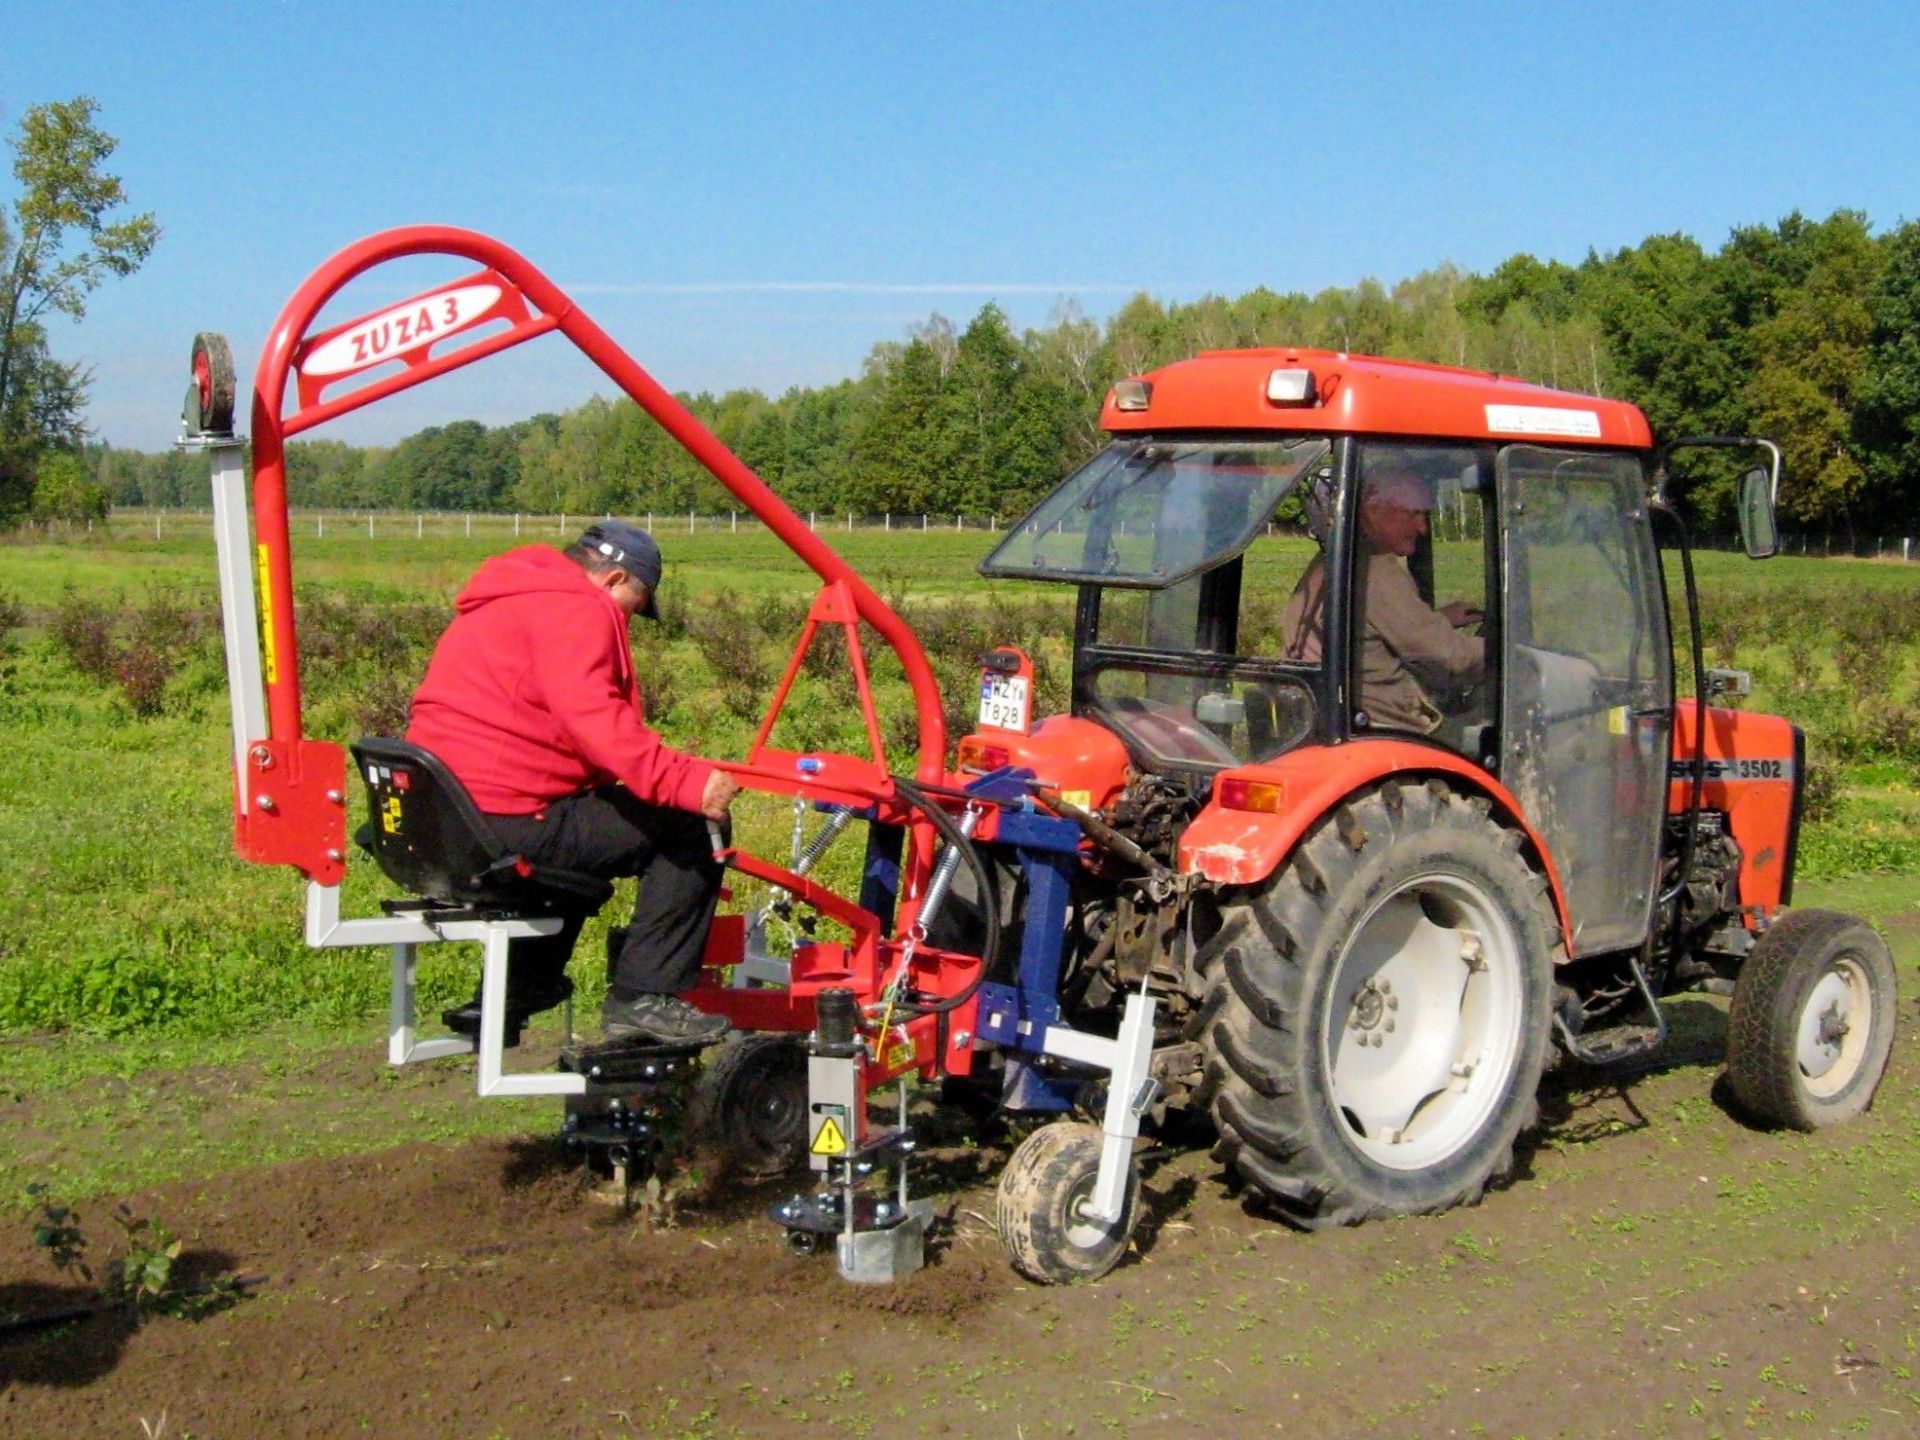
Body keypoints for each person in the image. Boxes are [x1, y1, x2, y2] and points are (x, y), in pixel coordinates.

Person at [407, 519, 741, 1045]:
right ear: (611, 580)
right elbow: (593, 719)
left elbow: (556, 727)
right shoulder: (577, 608)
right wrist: (686, 783)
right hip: (497, 818)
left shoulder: (509, 599)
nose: (629, 619)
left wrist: (655, 773)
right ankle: (644, 995)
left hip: (443, 816)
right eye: (635, 603)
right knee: (690, 828)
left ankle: (520, 987)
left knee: (584, 825)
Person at [1281, 462, 1485, 735]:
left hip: (1334, 719)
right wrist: (1508, 653)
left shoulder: (1336, 560)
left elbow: (1373, 630)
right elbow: (1452, 658)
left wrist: (1441, 620)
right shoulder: (1375, 570)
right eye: (1413, 513)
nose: (1422, 527)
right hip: (1389, 730)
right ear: (1373, 509)